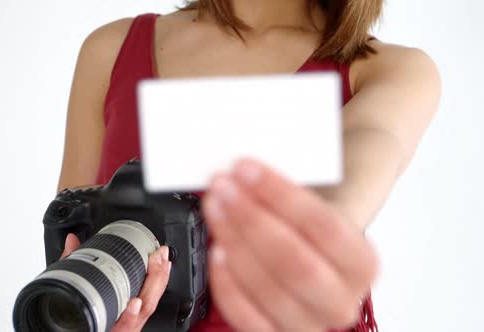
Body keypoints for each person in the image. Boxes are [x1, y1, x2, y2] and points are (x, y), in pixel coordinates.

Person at [55, 0, 441, 331]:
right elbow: (69, 252)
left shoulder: (393, 69)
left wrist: (327, 224)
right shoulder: (109, 49)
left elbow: (373, 140)